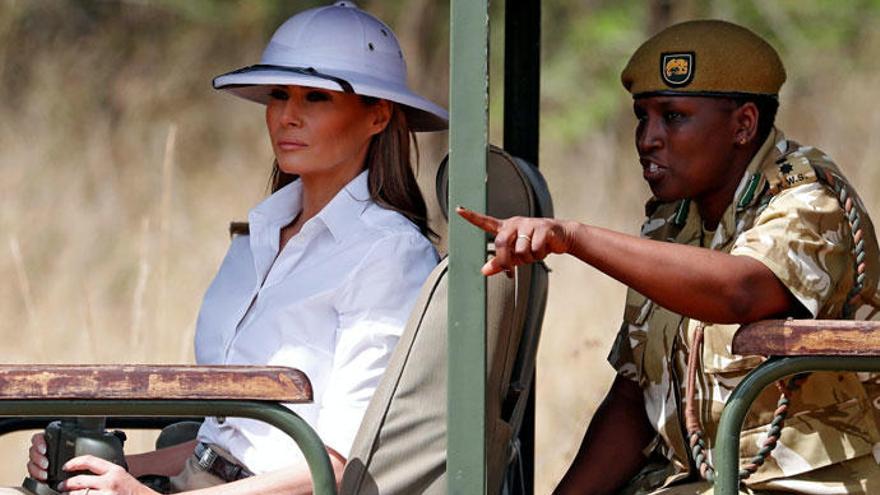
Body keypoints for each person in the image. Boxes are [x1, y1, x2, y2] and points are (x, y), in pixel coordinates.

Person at [19, 2, 446, 494]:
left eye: (316, 99)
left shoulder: (389, 255)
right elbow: (228, 437)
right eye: (279, 94)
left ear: (378, 116)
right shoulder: (256, 238)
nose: (287, 116)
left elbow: (338, 461)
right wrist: (109, 467)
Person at [459, 19, 880, 495]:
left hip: (811, 482)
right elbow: (635, 397)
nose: (646, 138)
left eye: (673, 116)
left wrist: (573, 238)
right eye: (643, 116)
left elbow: (741, 290)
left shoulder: (808, 199)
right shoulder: (674, 219)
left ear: (743, 125)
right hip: (693, 481)